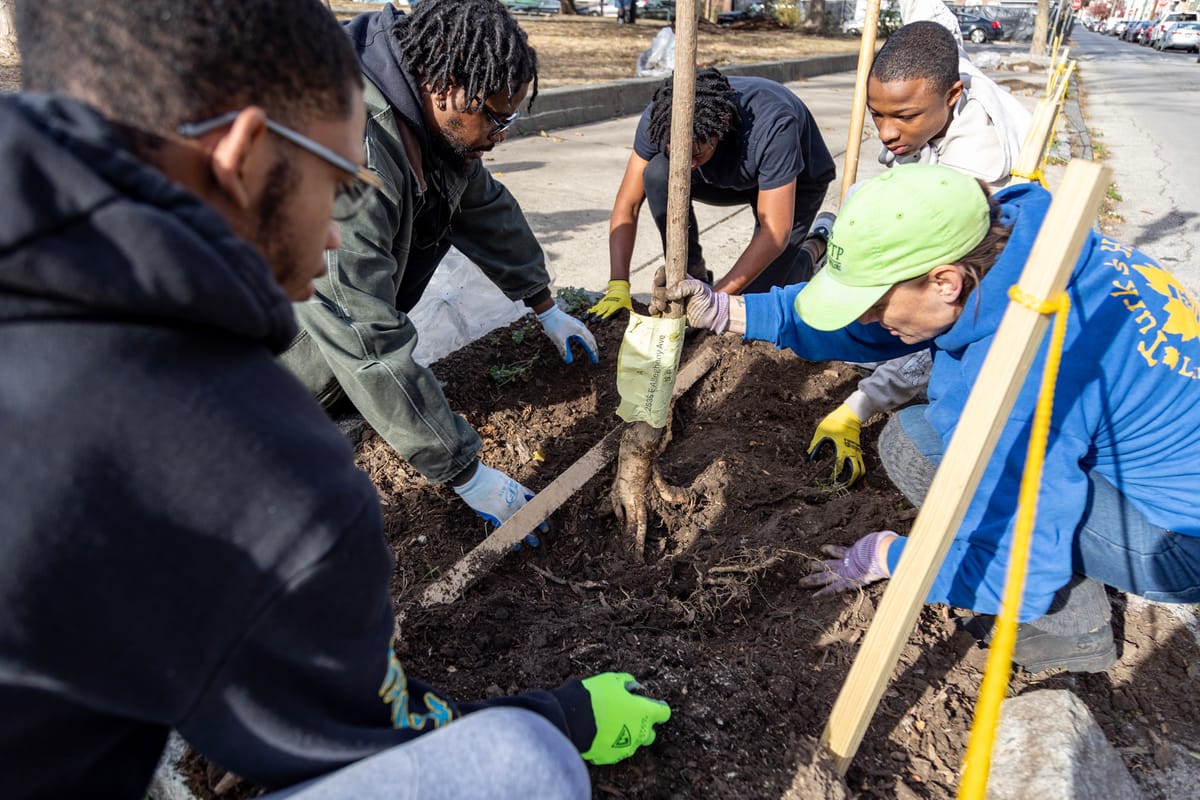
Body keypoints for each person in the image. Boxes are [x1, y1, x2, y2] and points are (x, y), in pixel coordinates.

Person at [0, 2, 668, 799]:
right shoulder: (264, 475)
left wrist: (541, 298)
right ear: (244, 156)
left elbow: (479, 204)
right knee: (526, 766)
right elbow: (363, 732)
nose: (347, 224)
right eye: (341, 182)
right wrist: (560, 717)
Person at [655, 164, 1200, 673]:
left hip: (1179, 543)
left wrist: (894, 556)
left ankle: (1068, 628)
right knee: (921, 432)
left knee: (916, 448)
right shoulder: (1022, 245)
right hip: (1153, 468)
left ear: (945, 282)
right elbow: (880, 321)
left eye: (872, 304)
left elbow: (1025, 566)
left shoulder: (1017, 365)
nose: (867, 320)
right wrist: (735, 311)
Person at [280, 0, 599, 546]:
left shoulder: (427, 119)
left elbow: (482, 205)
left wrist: (545, 305)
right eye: (497, 118)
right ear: (447, 88)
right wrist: (466, 471)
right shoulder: (350, 154)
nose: (501, 134)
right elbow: (360, 329)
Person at [805, 0, 1032, 488]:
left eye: (903, 116)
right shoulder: (934, 69)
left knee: (889, 342)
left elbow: (939, 319)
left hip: (976, 295)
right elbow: (931, 22)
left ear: (953, 95)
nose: (886, 133)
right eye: (876, 114)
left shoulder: (972, 179)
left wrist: (859, 403)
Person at [585, 67, 836, 320]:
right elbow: (628, 205)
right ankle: (695, 276)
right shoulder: (663, 117)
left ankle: (814, 247)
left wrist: (715, 300)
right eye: (680, 154)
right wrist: (618, 284)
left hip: (797, 183)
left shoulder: (773, 124)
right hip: (724, 174)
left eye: (696, 154)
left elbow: (775, 234)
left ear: (723, 125)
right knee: (657, 173)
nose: (688, 165)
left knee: (752, 303)